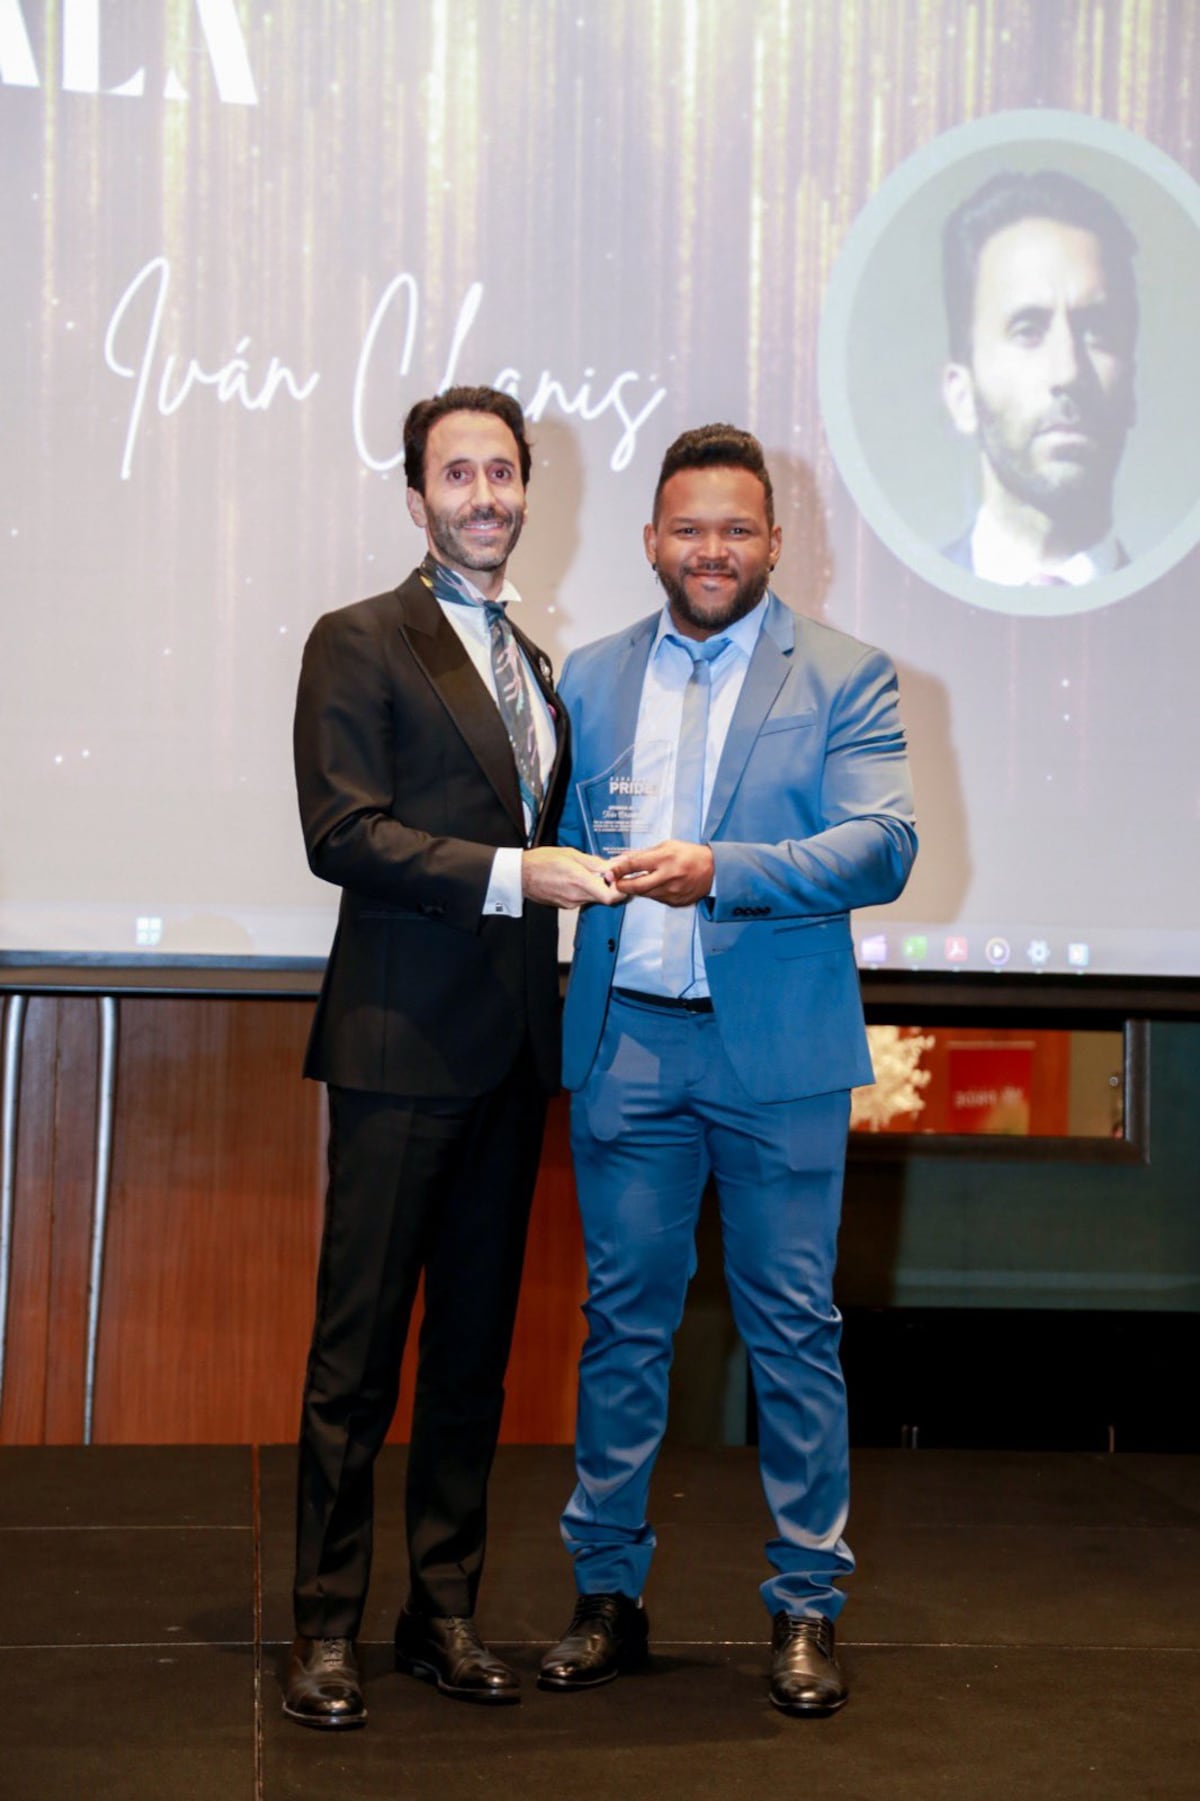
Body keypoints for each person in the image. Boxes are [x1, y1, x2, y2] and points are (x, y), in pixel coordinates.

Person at [539, 424, 917, 1716]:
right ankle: (607, 1595)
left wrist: (726, 871)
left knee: (792, 1331)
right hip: (627, 1041)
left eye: (737, 529)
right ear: (651, 541)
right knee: (622, 1327)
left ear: (774, 541)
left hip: (779, 1057)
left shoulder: (849, 677)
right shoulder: (584, 679)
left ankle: (807, 1602)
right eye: (688, 528)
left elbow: (885, 846)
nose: (712, 550)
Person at [285, 385, 617, 1729]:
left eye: (502, 472)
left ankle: (441, 1613)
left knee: (472, 1358)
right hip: (394, 1048)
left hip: (508, 1059)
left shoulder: (539, 667)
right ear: (416, 497)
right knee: (356, 1364)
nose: (485, 495)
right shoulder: (359, 640)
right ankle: (321, 1628)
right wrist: (512, 874)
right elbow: (341, 832)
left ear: (527, 490)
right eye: (457, 474)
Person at [940, 169, 1139, 586]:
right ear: (962, 395)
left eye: (1097, 333)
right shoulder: (890, 618)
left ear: (1132, 387)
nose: (1069, 372)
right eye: (1027, 330)